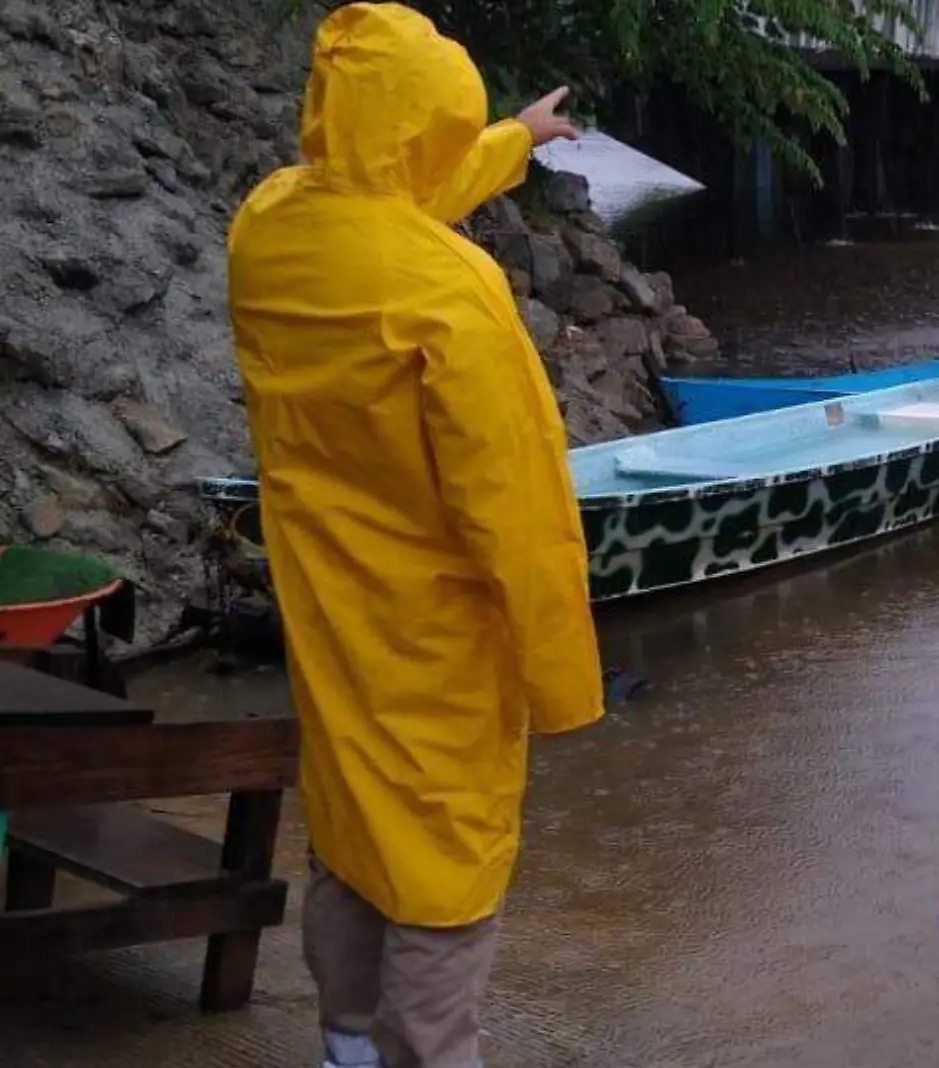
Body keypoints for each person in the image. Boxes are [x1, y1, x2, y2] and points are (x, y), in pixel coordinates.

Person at [225, 5, 603, 1066]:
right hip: (437, 643)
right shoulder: (451, 293)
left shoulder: (269, 223)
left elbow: (389, 193)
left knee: (349, 834)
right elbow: (519, 512)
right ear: (438, 117)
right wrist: (565, 685)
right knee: (445, 868)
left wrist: (516, 142)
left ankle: (345, 1046)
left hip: (325, 613)